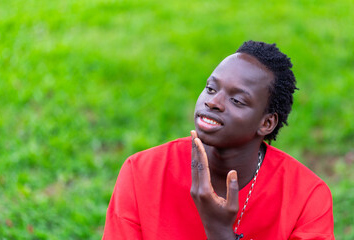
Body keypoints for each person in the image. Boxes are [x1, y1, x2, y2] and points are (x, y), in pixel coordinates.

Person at [102, 40, 335, 240]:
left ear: (266, 123)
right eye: (211, 88)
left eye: (237, 101)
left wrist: (220, 231)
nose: (213, 102)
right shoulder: (143, 172)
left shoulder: (306, 197)